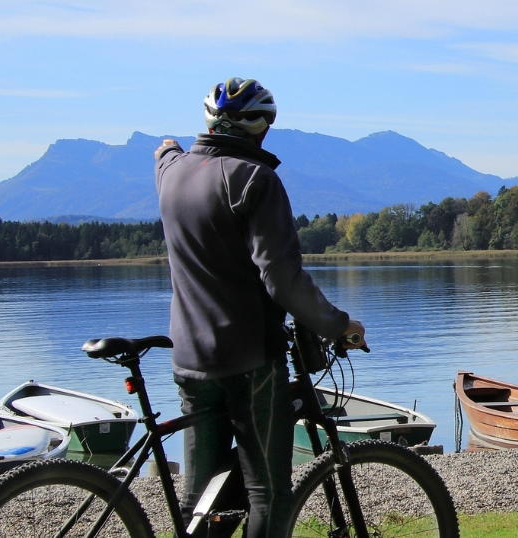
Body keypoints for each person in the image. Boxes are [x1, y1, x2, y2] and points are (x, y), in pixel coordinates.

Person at [154, 77, 366, 537]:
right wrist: (338, 324)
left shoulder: (171, 174)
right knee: (268, 494)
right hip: (247, 357)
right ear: (262, 128)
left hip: (188, 358)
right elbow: (281, 277)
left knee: (197, 495)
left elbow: (166, 155)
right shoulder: (256, 180)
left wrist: (167, 148)